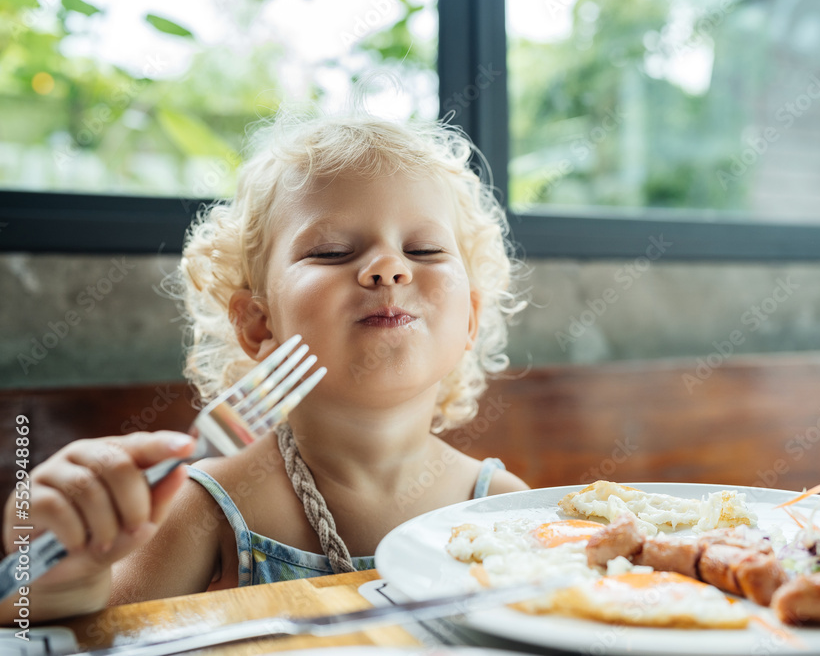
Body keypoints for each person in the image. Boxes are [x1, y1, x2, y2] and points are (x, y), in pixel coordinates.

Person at [1, 110, 530, 623]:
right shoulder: (209, 502)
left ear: (470, 320)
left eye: (424, 248)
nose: (389, 267)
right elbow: (99, 638)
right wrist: (66, 581)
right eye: (331, 251)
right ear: (259, 325)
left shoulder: (505, 510)